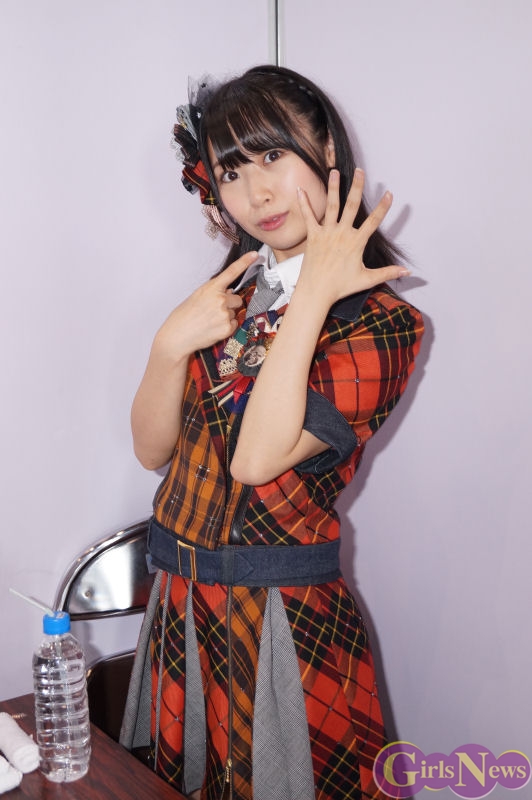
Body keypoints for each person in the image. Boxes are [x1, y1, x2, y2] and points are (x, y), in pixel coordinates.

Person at [120, 64, 424, 800]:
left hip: (282, 620)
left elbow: (257, 460)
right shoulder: (228, 296)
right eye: (231, 170)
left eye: (272, 155)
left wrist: (313, 294)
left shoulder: (385, 323)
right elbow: (152, 450)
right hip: (180, 605)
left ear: (327, 152)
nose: (255, 193)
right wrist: (168, 345)